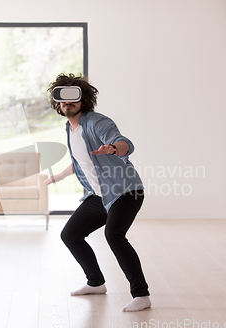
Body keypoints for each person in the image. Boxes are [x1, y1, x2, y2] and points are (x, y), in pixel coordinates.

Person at [44, 73, 151, 312]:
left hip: (125, 190)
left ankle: (142, 295)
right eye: (62, 98)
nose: (67, 103)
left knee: (114, 235)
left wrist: (113, 148)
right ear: (57, 103)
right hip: (100, 195)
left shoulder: (96, 122)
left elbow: (123, 142)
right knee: (70, 235)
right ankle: (95, 283)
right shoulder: (70, 127)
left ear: (84, 99)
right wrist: (58, 176)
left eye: (73, 97)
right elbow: (81, 160)